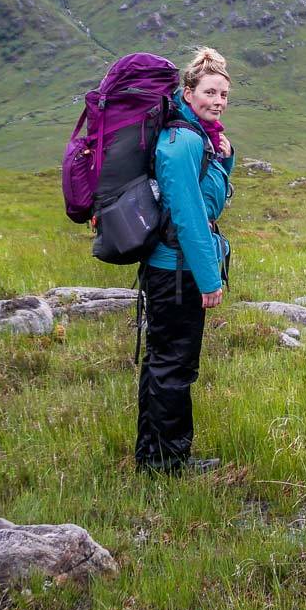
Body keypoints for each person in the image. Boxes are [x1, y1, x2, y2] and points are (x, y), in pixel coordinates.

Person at [135, 46, 235, 473]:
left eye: (224, 94)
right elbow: (190, 216)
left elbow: (209, 196)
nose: (218, 101)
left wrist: (226, 157)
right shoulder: (183, 142)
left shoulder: (197, 137)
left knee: (163, 363)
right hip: (176, 271)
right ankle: (167, 463)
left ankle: (154, 457)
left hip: (174, 267)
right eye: (210, 92)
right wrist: (209, 279)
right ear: (188, 92)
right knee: (173, 367)